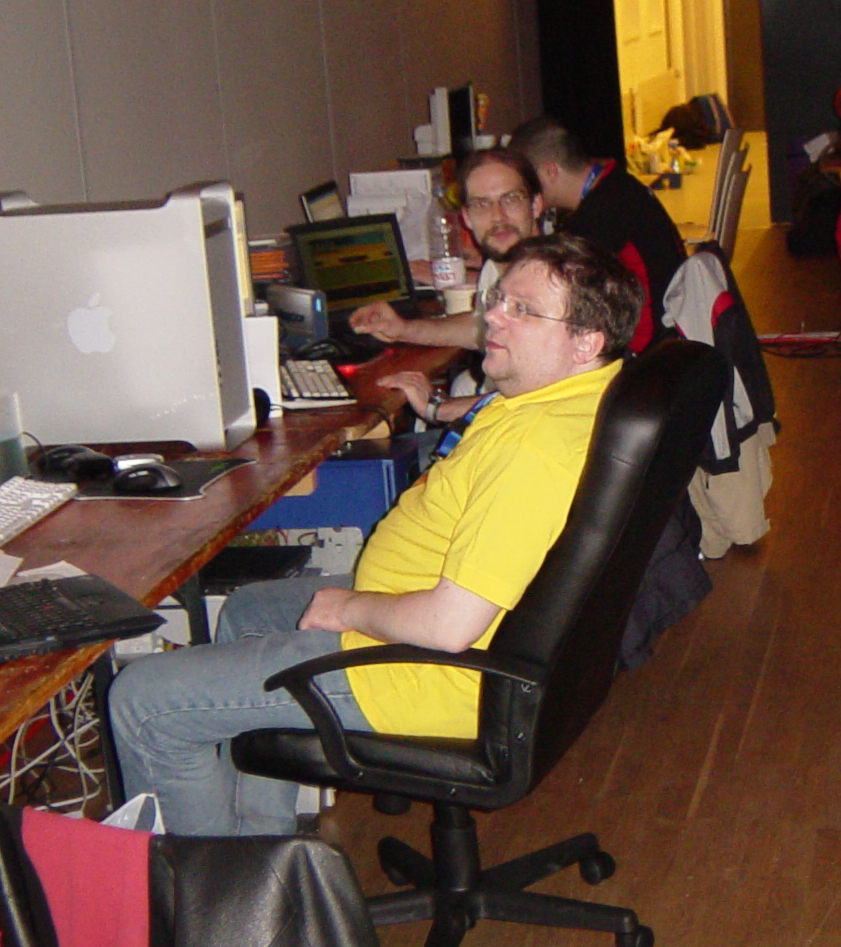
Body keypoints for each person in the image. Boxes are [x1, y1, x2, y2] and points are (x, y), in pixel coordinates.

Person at [108, 237, 643, 836]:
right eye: (499, 299)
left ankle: (215, 887)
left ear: (586, 342)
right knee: (249, 610)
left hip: (423, 672)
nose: (493, 315)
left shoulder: (533, 452)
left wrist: (349, 608)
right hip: (454, 629)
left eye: (523, 309)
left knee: (142, 701)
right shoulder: (565, 397)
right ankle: (260, 845)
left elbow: (449, 627)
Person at [349, 145, 544, 421]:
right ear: (466, 218)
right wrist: (403, 329)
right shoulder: (497, 269)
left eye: (510, 199)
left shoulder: (553, 284)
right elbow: (480, 327)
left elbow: (539, 400)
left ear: (535, 205)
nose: (498, 217)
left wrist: (438, 407)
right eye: (481, 204)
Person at [509, 115, 687, 351]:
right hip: (667, 325)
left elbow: (554, 291)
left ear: (549, 171)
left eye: (526, 180)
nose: (524, 189)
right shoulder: (614, 183)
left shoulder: (597, 217)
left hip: (642, 348)